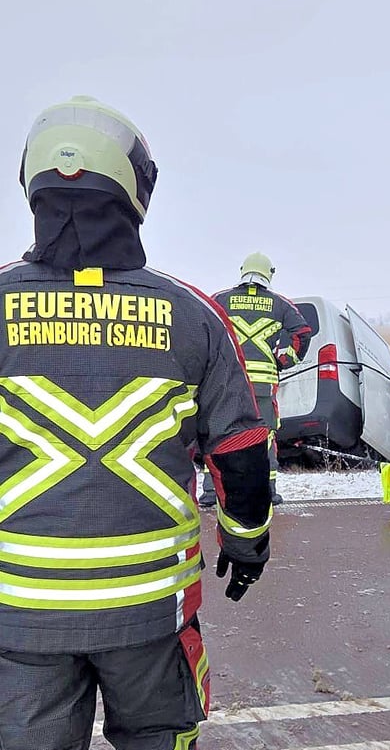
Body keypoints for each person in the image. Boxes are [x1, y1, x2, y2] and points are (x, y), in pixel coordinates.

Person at [0, 96, 273, 749]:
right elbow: (240, 449)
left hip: (20, 619)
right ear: (134, 191)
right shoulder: (193, 315)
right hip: (153, 615)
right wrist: (246, 545)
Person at [198, 252, 311, 507]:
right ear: (268, 274)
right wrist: (285, 361)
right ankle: (268, 492)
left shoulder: (220, 299)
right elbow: (303, 333)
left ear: (243, 270)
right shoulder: (280, 304)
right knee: (265, 435)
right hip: (262, 384)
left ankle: (211, 492)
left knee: (218, 431)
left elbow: (200, 325)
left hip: (226, 380)